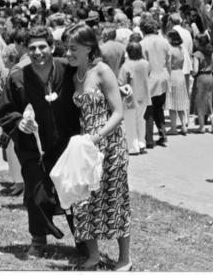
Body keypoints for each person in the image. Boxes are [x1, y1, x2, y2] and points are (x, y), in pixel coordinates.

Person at [0, 26, 82, 258]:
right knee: (37, 193)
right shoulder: (17, 77)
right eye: (32, 48)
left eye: (42, 46)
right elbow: (4, 112)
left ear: (52, 47)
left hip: (66, 143)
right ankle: (39, 239)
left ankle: (83, 242)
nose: (37, 52)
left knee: (72, 191)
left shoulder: (67, 70)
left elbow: (95, 80)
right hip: (32, 146)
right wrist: (18, 123)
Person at [63, 23, 132, 271]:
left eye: (73, 48)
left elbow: (118, 112)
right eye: (66, 48)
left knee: (115, 199)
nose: (68, 53)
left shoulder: (102, 70)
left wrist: (98, 137)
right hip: (86, 146)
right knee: (83, 200)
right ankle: (93, 255)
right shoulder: (74, 75)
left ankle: (124, 258)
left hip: (110, 144)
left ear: (88, 47)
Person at [139, 17, 170, 147]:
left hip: (150, 78)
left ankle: (149, 140)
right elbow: (168, 60)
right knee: (159, 108)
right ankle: (163, 134)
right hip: (163, 77)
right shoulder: (164, 42)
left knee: (148, 110)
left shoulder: (142, 43)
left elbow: (143, 64)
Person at [118, 41, 151, 155]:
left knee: (130, 122)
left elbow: (121, 82)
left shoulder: (126, 66)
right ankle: (142, 143)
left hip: (130, 97)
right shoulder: (145, 63)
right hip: (144, 96)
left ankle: (133, 147)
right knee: (140, 120)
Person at [191, 34, 213, 134]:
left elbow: (195, 70)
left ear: (199, 42)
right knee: (208, 100)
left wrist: (191, 73)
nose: (194, 41)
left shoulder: (197, 54)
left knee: (200, 101)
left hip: (201, 78)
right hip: (210, 77)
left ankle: (202, 127)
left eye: (195, 40)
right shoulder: (210, 53)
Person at [166, 30, 190, 135]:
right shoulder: (181, 49)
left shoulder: (170, 50)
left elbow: (169, 64)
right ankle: (184, 125)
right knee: (180, 102)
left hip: (173, 75)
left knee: (172, 103)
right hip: (181, 74)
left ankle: (173, 128)